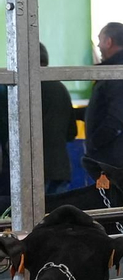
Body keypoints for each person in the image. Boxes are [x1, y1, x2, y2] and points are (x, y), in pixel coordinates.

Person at [0, 44, 80, 209]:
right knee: (56, 220)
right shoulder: (60, 87)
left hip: (25, 170)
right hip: (59, 169)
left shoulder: (12, 89)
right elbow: (72, 132)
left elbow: (5, 131)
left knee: (27, 224)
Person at [85, 21, 123, 166]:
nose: (98, 46)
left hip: (112, 160)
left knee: (107, 190)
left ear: (108, 42)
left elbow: (116, 120)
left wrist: (93, 144)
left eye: (100, 40)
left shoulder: (118, 72)